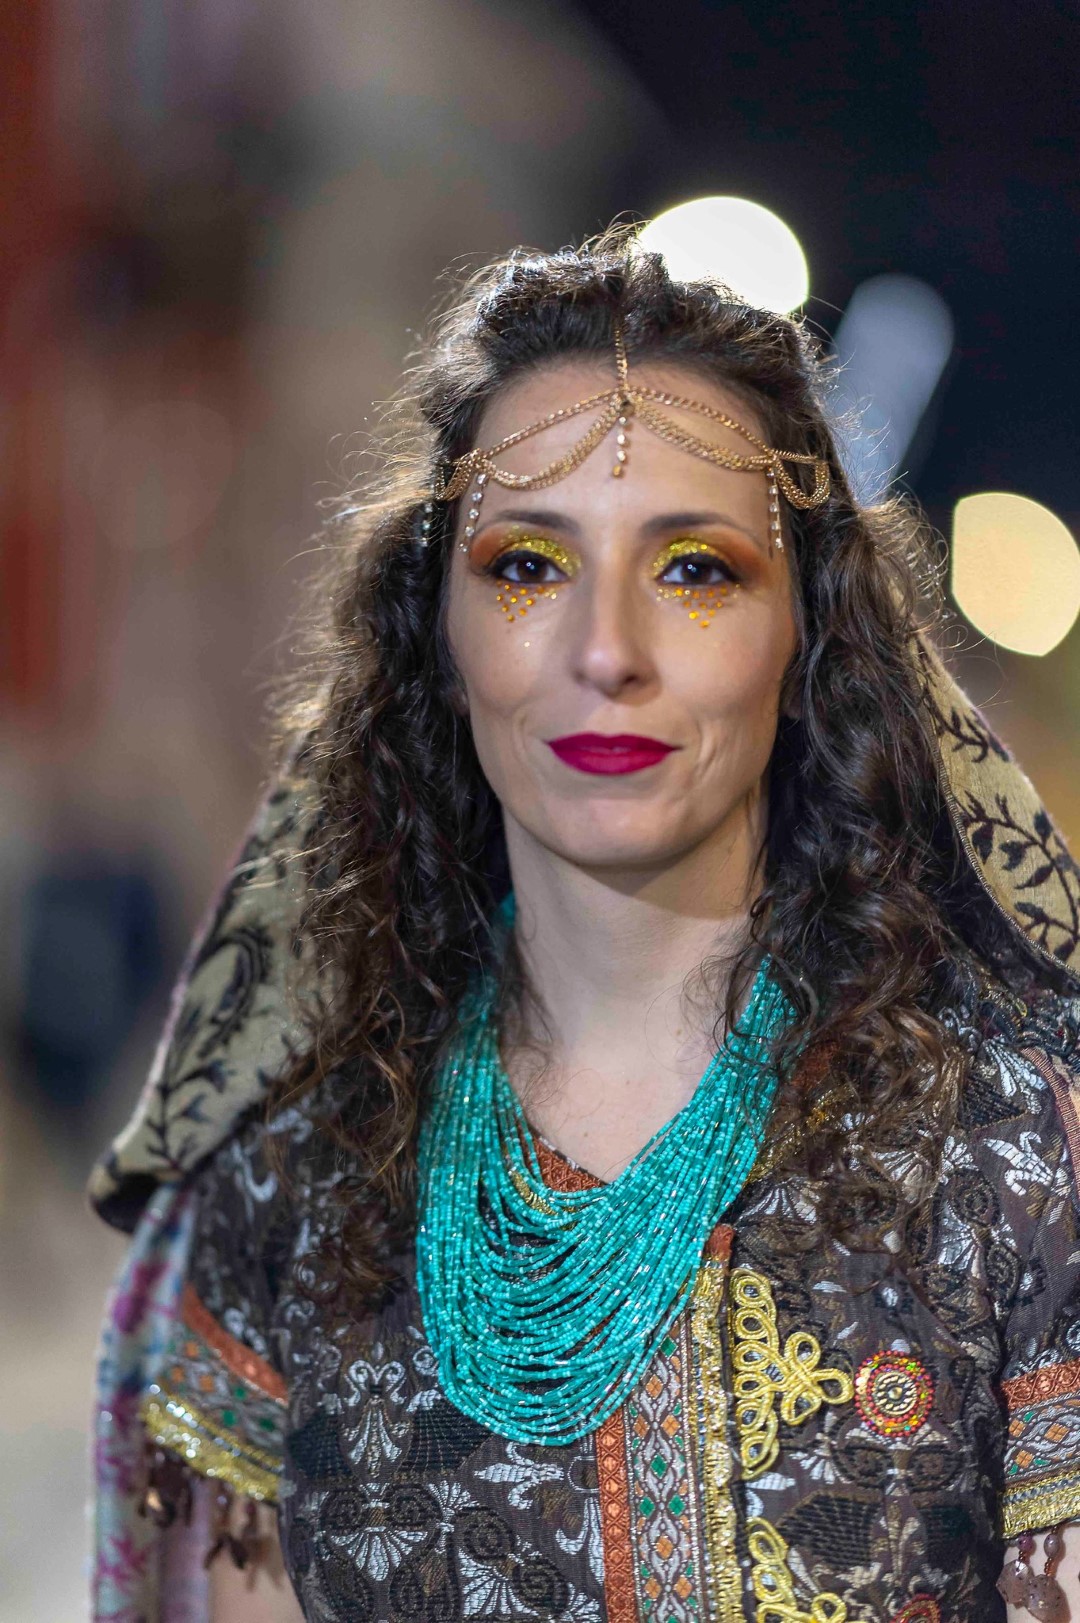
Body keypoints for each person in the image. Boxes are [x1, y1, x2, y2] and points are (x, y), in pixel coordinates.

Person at [91, 229, 1080, 1623]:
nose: (606, 649)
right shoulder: (302, 1169)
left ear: (809, 634)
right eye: (527, 566)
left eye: (696, 570)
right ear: (437, 632)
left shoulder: (1009, 1151)